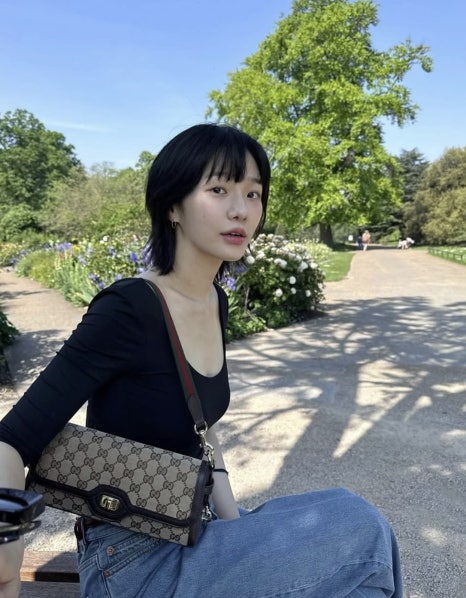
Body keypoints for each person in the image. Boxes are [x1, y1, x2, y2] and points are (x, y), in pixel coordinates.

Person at [0, 124, 403, 597]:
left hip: (193, 525)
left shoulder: (215, 299)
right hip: (130, 560)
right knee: (363, 533)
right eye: (219, 190)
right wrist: (8, 561)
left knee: (349, 535)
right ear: (172, 206)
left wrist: (236, 528)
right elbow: (11, 441)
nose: (241, 210)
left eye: (253, 194)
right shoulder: (129, 309)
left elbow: (202, 431)